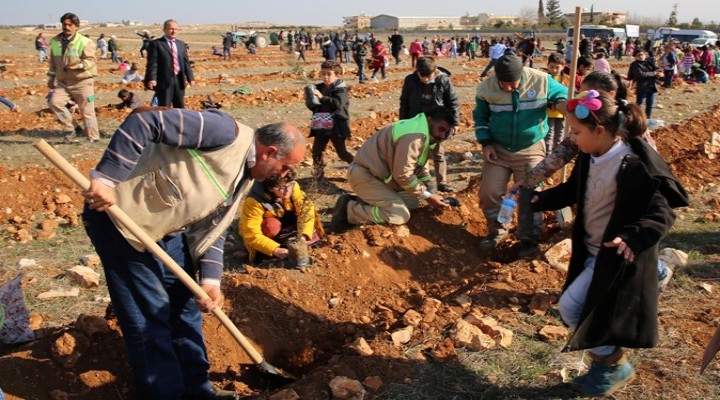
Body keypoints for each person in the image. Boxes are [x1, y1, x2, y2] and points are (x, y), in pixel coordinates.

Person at [82, 108, 306, 400]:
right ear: (270, 152)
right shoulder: (224, 133)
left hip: (168, 230)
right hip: (122, 222)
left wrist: (211, 280)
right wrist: (107, 177)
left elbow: (216, 227)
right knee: (150, 315)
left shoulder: (245, 177)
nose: (285, 175)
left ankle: (198, 390)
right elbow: (145, 121)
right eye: (286, 167)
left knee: (185, 308)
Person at [530, 90, 678, 397]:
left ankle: (613, 362)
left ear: (599, 131)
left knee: (571, 308)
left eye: (576, 132)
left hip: (613, 254)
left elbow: (661, 211)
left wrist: (634, 236)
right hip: (590, 249)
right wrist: (540, 199)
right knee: (588, 309)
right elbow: (574, 191)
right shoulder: (590, 155)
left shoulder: (633, 164)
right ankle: (605, 367)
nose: (572, 138)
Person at [516, 71, 689, 292]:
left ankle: (657, 271)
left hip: (623, 206)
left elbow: (651, 177)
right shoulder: (587, 128)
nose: (583, 99)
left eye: (589, 94)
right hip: (598, 195)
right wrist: (528, 183)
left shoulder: (630, 136)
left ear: (609, 95)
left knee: (621, 250)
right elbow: (561, 154)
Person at [473, 52, 568, 256]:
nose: (507, 88)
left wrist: (560, 103)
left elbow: (563, 94)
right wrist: (486, 143)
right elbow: (480, 117)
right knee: (489, 193)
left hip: (530, 147)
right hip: (498, 148)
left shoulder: (541, 80)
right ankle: (497, 232)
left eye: (512, 83)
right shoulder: (485, 89)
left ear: (522, 75)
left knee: (529, 195)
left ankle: (529, 240)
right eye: (503, 84)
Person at [329, 106, 456, 232]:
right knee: (399, 215)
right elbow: (403, 175)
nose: (442, 135)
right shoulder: (414, 137)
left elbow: (419, 168)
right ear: (429, 120)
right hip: (365, 175)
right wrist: (428, 196)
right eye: (441, 129)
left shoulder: (423, 132)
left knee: (412, 202)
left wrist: (431, 192)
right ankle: (349, 210)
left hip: (379, 177)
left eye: (446, 132)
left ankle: (363, 201)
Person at [399, 56, 460, 192]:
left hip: (435, 124)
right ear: (417, 72)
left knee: (438, 153)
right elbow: (404, 102)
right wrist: (403, 121)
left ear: (434, 71)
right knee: (418, 153)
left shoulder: (443, 80)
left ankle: (442, 183)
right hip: (415, 122)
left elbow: (453, 102)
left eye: (428, 76)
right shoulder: (410, 80)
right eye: (422, 76)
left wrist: (455, 122)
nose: (425, 79)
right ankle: (424, 183)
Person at [238, 169, 324, 263]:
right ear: (270, 188)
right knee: (271, 226)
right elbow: (251, 234)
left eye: (289, 185)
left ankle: (294, 241)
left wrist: (303, 236)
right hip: (271, 231)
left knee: (309, 228)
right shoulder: (253, 201)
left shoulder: (292, 187)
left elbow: (306, 211)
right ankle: (280, 246)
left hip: (288, 222)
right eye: (281, 188)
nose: (287, 191)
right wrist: (275, 250)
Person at [47, 12, 99, 142]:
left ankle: (92, 137)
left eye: (70, 25)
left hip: (83, 81)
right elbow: (54, 62)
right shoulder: (55, 42)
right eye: (64, 24)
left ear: (76, 26)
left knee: (87, 110)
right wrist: (51, 77)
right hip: (64, 81)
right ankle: (71, 129)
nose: (66, 27)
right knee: (54, 102)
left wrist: (80, 65)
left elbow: (91, 60)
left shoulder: (85, 41)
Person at [305, 60, 354, 180]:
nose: (325, 77)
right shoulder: (319, 87)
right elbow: (313, 105)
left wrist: (322, 97)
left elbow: (337, 104)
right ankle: (319, 175)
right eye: (323, 74)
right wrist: (309, 98)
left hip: (336, 125)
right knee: (317, 151)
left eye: (329, 74)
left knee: (342, 153)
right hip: (322, 123)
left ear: (336, 75)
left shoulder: (341, 89)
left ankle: (361, 169)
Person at [145, 19, 194, 108]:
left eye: (176, 29)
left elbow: (186, 62)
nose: (174, 31)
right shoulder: (156, 44)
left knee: (179, 106)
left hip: (179, 79)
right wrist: (152, 78)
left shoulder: (181, 44)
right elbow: (152, 63)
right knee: (164, 107)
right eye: (171, 29)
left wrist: (190, 78)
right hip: (164, 80)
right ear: (164, 30)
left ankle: (179, 122)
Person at [545, 52, 570, 152]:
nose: (554, 70)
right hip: (548, 113)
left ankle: (556, 155)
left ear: (563, 67)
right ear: (548, 66)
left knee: (559, 136)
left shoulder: (567, 79)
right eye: (551, 67)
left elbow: (570, 94)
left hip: (562, 113)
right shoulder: (545, 79)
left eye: (557, 67)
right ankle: (547, 155)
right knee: (548, 136)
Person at [627, 50, 660, 119]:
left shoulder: (649, 62)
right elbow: (640, 74)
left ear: (645, 55)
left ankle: (648, 118)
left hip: (651, 86)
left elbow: (656, 69)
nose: (641, 56)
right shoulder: (635, 65)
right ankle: (636, 118)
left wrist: (659, 72)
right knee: (639, 104)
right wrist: (653, 73)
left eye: (642, 54)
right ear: (635, 57)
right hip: (642, 87)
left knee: (650, 105)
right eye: (638, 55)